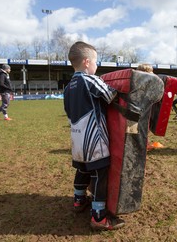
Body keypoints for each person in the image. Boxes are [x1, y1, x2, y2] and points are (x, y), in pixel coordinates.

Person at [63, 41, 125, 230]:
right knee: (100, 173)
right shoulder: (90, 80)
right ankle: (98, 216)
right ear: (87, 62)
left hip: (76, 137)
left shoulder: (68, 87)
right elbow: (111, 95)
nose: (97, 66)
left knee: (82, 169)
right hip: (94, 139)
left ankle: (78, 200)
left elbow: (68, 111)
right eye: (97, 62)